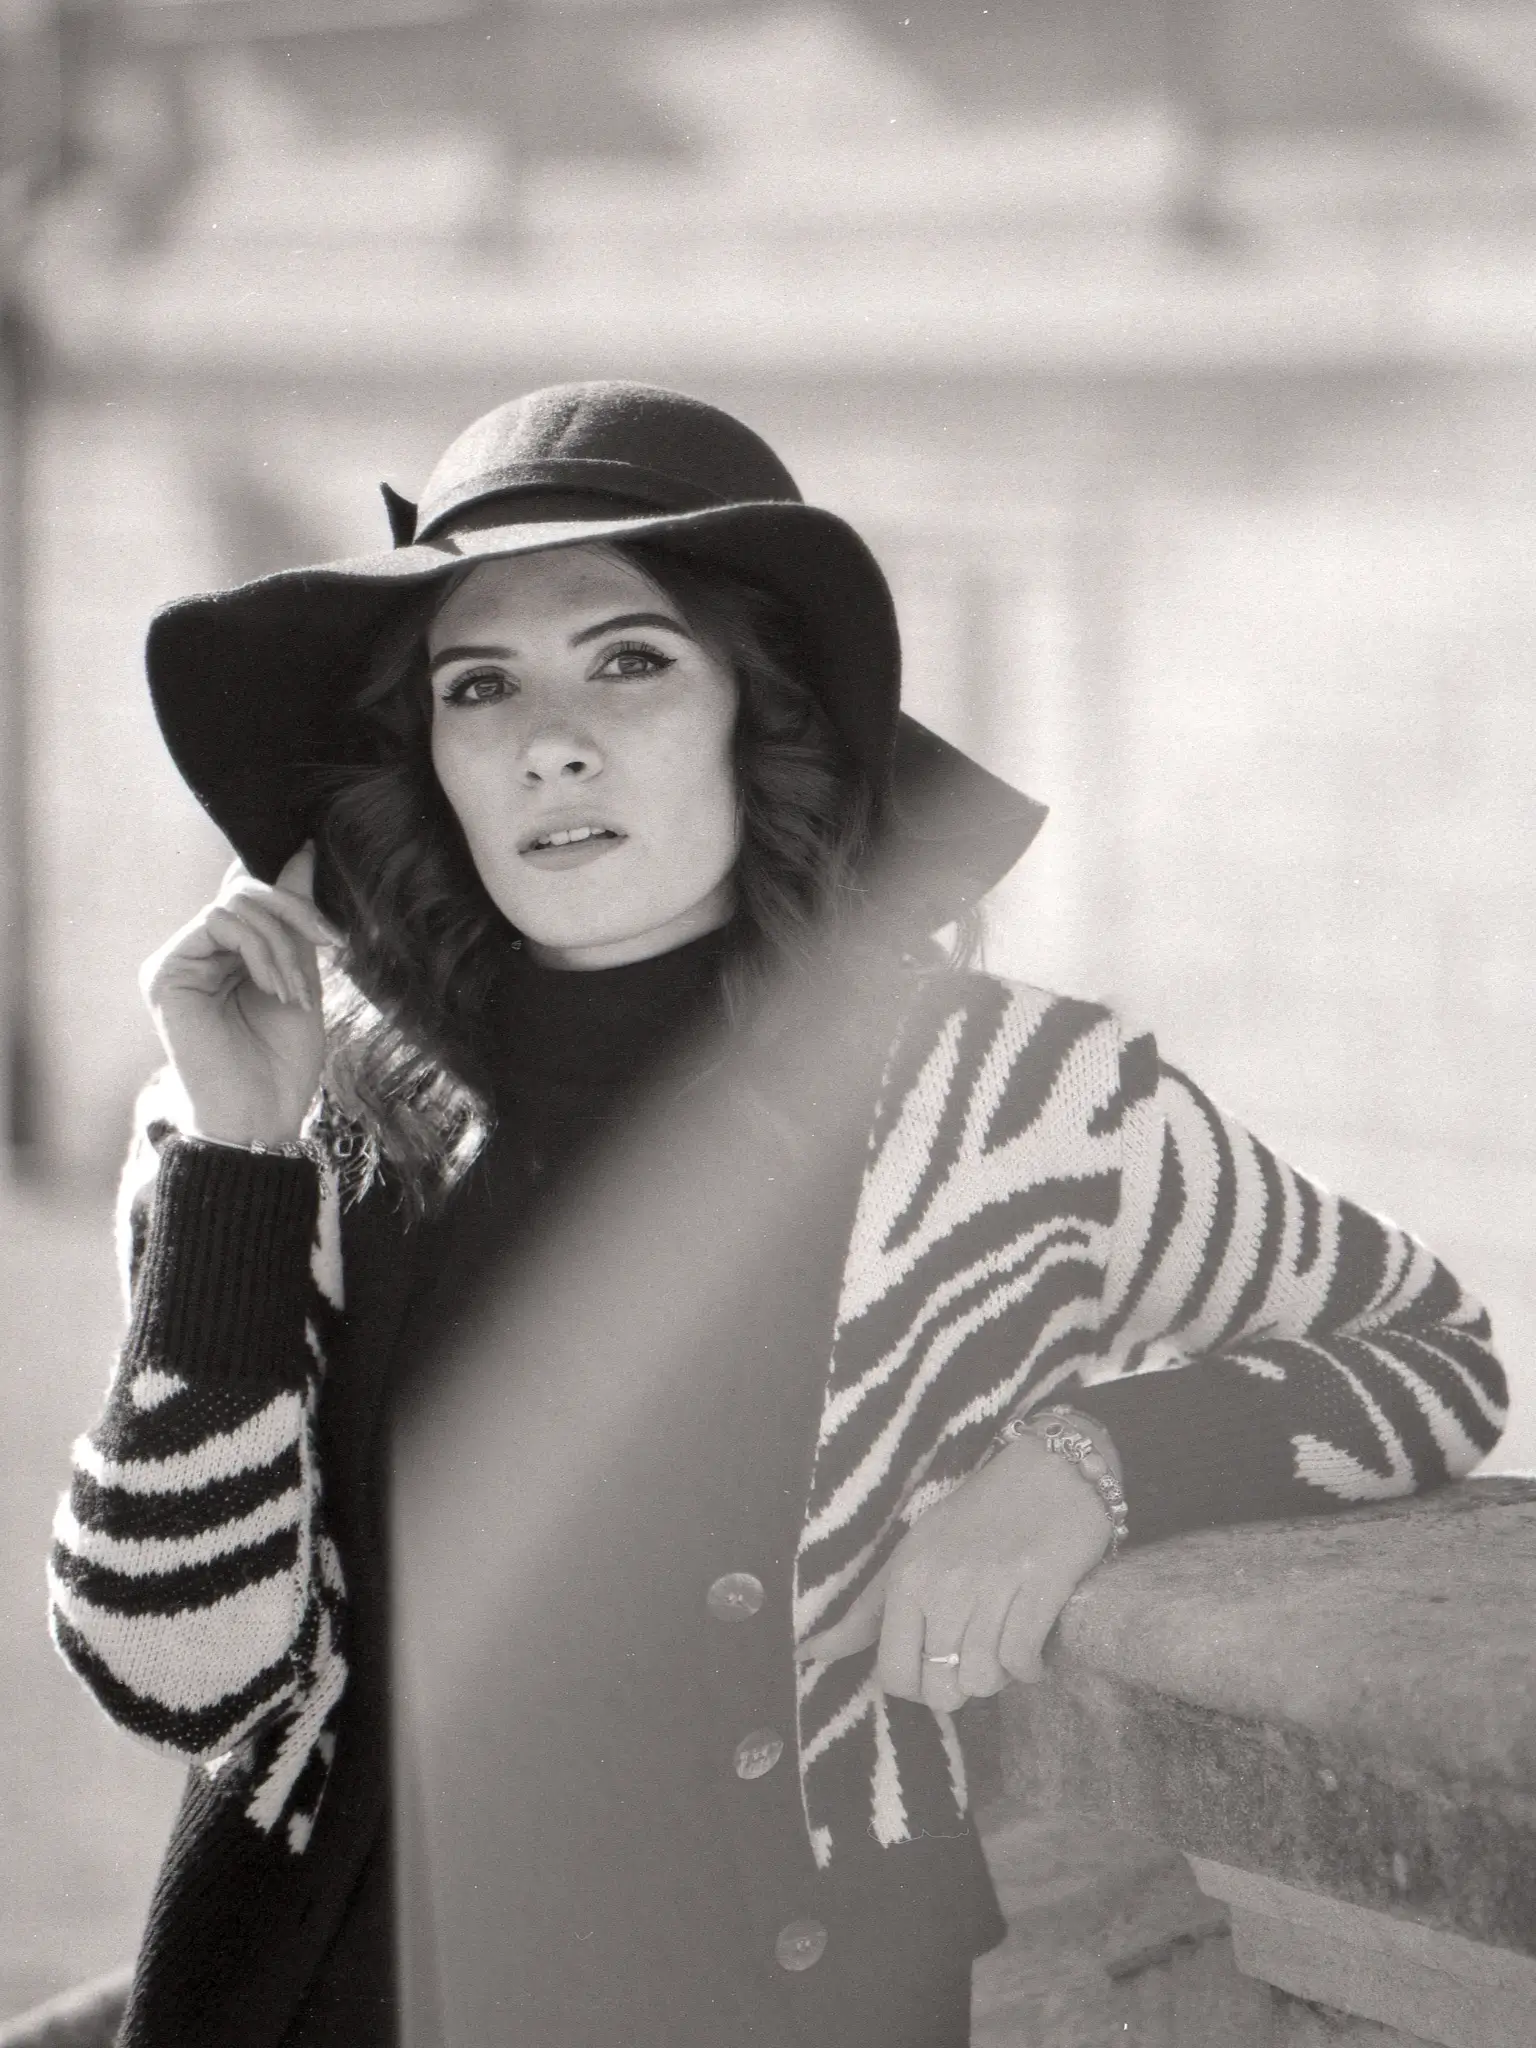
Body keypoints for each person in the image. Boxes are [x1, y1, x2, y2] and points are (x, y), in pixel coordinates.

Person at [47, 382, 1505, 2048]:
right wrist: (236, 1162)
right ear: (429, 754)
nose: (552, 739)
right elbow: (177, 1668)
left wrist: (1085, 1469)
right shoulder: (280, 1114)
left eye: (630, 660)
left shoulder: (1017, 1106)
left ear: (765, 708)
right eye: (479, 685)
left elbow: (1426, 1348)